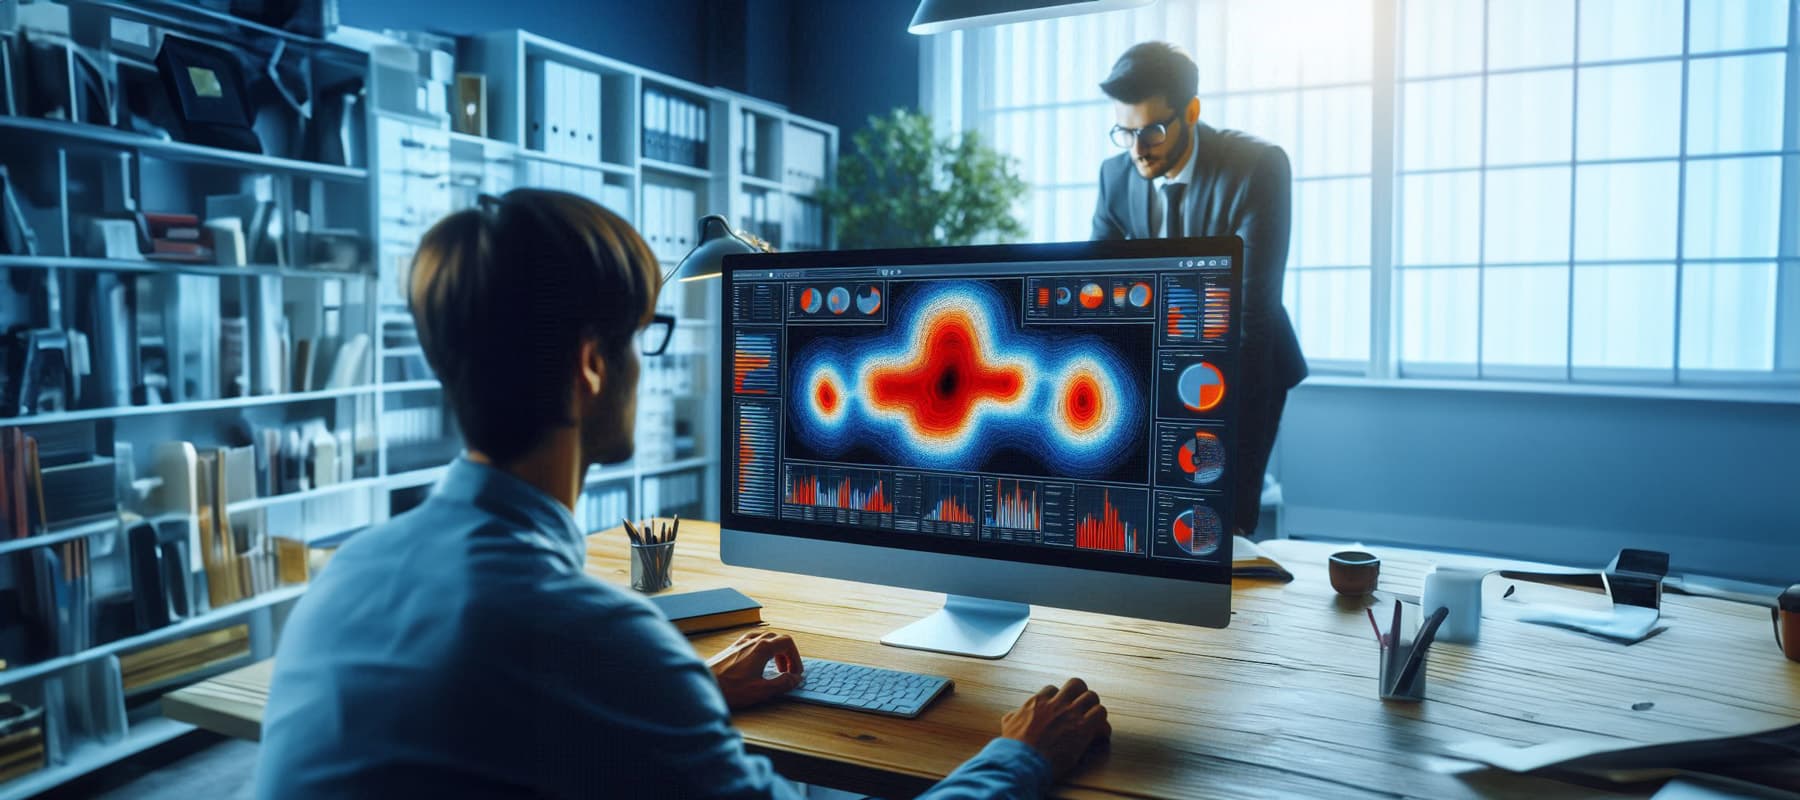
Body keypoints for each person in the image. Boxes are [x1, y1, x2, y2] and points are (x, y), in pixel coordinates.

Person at [256, 188, 1111, 799]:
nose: (644, 367)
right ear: (594, 364)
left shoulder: (346, 579)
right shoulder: (595, 643)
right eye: (642, 338)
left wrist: (688, 695)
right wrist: (1020, 758)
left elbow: (504, 725)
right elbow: (563, 676)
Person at [1090, 42, 1307, 537]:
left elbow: (1251, 317)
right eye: (1124, 132)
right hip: (1160, 362)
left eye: (1152, 131)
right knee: (1145, 518)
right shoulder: (1116, 176)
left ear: (1191, 111)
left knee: (1220, 520)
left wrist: (1226, 442)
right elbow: (1095, 292)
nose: (1138, 148)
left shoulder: (1256, 168)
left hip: (1249, 361)